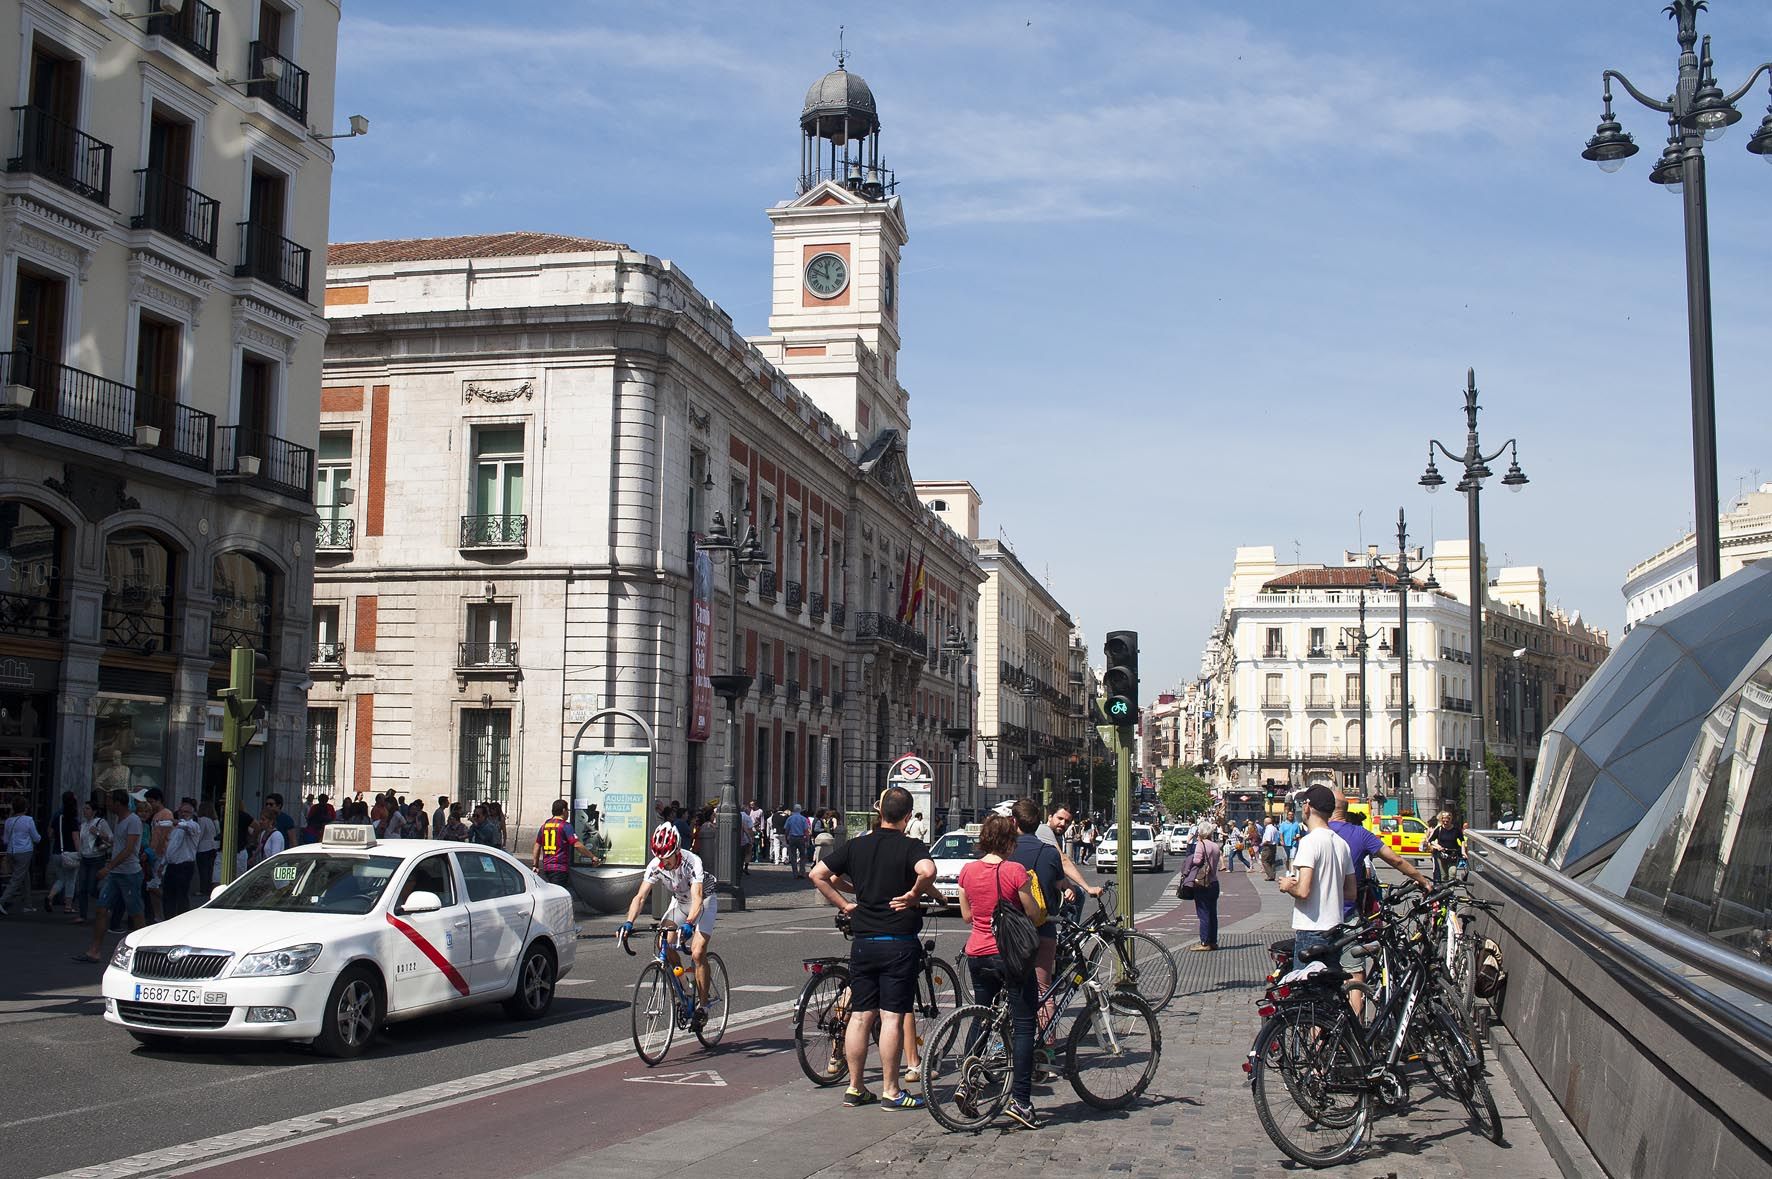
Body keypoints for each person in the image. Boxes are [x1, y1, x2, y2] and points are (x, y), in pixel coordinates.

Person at [808, 784, 937, 1112]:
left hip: (864, 942)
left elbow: (819, 874)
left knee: (861, 1016)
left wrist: (846, 903)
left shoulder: (857, 845)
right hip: (898, 942)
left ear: (879, 813)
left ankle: (855, 1087)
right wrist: (913, 894)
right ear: (907, 817)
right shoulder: (910, 846)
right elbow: (929, 871)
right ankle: (892, 1091)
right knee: (892, 1017)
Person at [957, 812, 1045, 1130]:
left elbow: (967, 915)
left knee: (982, 1017)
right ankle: (1021, 1102)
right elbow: (1033, 914)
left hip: (977, 953)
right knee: (1023, 1027)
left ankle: (967, 1084)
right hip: (1009, 956)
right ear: (1010, 841)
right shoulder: (1014, 870)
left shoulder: (967, 871)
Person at [1328, 788, 1429, 1015]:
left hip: (1319, 917)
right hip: (1348, 915)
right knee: (1355, 976)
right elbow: (1396, 860)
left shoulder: (1318, 834)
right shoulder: (1360, 834)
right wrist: (1422, 880)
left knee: (1319, 981)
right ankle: (1353, 1037)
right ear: (1346, 810)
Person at [620, 823, 718, 1017]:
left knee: (698, 953)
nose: (663, 863)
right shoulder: (656, 865)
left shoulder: (692, 861)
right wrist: (629, 922)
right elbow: (640, 897)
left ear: (677, 851)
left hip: (703, 903)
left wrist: (690, 924)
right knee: (663, 942)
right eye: (659, 858)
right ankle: (684, 984)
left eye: (667, 858)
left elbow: (697, 897)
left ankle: (704, 1006)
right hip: (680, 903)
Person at [1010, 799, 1067, 1067]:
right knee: (1044, 989)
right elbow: (1058, 884)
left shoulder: (1005, 852)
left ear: (1014, 822)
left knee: (1011, 987)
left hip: (1011, 931)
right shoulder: (1049, 852)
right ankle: (1048, 1049)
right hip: (1043, 928)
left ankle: (1008, 1041)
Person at [1277, 785, 1355, 972]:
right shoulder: (1341, 843)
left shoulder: (1309, 842)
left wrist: (1288, 886)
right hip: (1336, 928)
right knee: (1328, 990)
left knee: (1306, 992)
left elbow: (1303, 891)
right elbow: (1351, 892)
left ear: (1307, 807)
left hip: (1312, 929)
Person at [75, 789, 145, 961]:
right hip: (116, 873)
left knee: (135, 913)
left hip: (129, 873)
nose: (107, 804)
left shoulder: (133, 820)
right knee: (101, 908)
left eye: (110, 801)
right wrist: (106, 839)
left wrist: (109, 866)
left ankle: (142, 953)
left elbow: (129, 849)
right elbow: (120, 843)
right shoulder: (119, 820)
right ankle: (94, 951)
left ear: (118, 803)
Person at [1181, 821, 1222, 951]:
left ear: (1201, 832)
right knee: (1212, 913)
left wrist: (1191, 858)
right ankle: (1213, 941)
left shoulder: (1201, 844)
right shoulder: (1215, 846)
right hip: (1214, 882)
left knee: (1203, 913)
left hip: (1203, 883)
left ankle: (1204, 942)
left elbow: (1197, 861)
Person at [1, 800, 41, 914]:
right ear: (26, 808)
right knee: (17, 879)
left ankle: (28, 904)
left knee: (24, 877)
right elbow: (36, 837)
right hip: (24, 851)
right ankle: (2, 900)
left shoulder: (8, 821)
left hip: (11, 851)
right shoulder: (28, 820)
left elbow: (5, 840)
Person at [75, 799, 112, 923]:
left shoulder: (100, 822)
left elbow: (110, 838)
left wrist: (97, 833)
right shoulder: (83, 825)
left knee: (92, 886)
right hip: (85, 858)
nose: (85, 811)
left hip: (97, 858)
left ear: (94, 811)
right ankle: (82, 914)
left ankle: (105, 905)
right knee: (82, 888)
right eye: (84, 808)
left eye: (87, 808)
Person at [161, 802, 200, 918]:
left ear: (192, 814)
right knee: (168, 895)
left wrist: (178, 822)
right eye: (181, 811)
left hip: (184, 865)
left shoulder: (194, 826)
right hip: (172, 865)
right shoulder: (176, 829)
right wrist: (163, 863)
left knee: (181, 896)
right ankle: (168, 919)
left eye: (186, 812)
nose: (183, 814)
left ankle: (182, 919)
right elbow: (171, 847)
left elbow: (189, 827)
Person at [533, 799, 585, 885]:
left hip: (547, 867)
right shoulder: (565, 826)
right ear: (564, 810)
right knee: (558, 894)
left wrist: (535, 865)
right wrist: (592, 856)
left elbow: (537, 845)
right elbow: (576, 845)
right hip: (560, 868)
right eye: (567, 810)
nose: (568, 813)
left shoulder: (544, 826)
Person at [47, 791, 80, 914]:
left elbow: (49, 833)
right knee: (71, 879)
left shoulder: (57, 815)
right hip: (70, 852)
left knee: (61, 878)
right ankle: (68, 906)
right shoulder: (73, 817)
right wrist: (79, 852)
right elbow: (75, 837)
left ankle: (50, 896)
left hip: (57, 851)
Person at [1430, 811, 1464, 883]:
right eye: (1443, 820)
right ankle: (1445, 891)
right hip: (1442, 854)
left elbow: (1462, 840)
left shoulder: (1456, 829)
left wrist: (1463, 852)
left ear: (1450, 819)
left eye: (1447, 820)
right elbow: (1431, 840)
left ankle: (1451, 890)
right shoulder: (1439, 829)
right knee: (1444, 875)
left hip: (1453, 854)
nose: (1445, 822)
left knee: (1452, 872)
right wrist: (1437, 846)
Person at [784, 804, 811, 878]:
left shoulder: (790, 818)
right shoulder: (803, 819)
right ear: (800, 810)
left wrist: (786, 838)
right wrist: (807, 840)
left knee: (793, 856)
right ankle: (802, 872)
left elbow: (786, 830)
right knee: (803, 856)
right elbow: (806, 831)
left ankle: (795, 873)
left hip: (792, 837)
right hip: (801, 838)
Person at [1278, 808, 1302, 873]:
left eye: (1292, 815)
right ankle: (1288, 870)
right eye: (1289, 815)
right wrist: (1282, 841)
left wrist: (1297, 837)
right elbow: (1281, 833)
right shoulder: (1283, 824)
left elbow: (1298, 833)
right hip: (1285, 843)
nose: (1291, 816)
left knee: (1292, 857)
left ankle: (1292, 872)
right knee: (1286, 858)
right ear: (1287, 816)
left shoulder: (1296, 824)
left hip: (1294, 843)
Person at [1259, 815, 1281, 881]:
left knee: (1264, 861)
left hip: (1268, 846)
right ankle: (1273, 875)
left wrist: (1262, 844)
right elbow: (1277, 837)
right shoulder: (1274, 828)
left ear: (1265, 822)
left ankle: (1270, 875)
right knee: (1272, 861)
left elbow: (1268, 839)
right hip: (1273, 846)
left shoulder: (1268, 829)